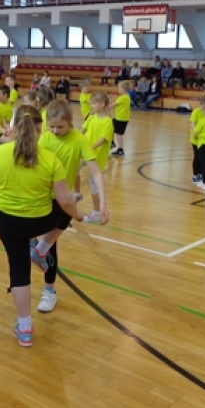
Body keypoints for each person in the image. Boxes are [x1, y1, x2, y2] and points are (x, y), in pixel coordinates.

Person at [0, 105, 83, 347]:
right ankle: (41, 248)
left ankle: (25, 328)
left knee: (18, 271)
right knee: (67, 208)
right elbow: (65, 200)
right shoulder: (50, 159)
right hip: (38, 221)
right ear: (40, 128)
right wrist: (79, 216)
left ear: (14, 127)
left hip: (8, 222)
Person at [35, 100, 106, 313]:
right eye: (52, 126)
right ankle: (37, 251)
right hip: (40, 196)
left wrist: (103, 203)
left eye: (60, 127)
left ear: (70, 121)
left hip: (61, 198)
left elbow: (96, 172)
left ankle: (49, 290)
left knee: (52, 241)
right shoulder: (45, 139)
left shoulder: (79, 140)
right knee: (46, 240)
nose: (55, 131)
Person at [81, 92, 113, 220]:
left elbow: (102, 140)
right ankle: (76, 193)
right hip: (85, 153)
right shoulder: (91, 117)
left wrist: (89, 149)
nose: (92, 105)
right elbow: (82, 131)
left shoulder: (108, 121)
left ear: (102, 104)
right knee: (72, 169)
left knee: (93, 183)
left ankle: (97, 212)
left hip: (96, 156)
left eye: (94, 103)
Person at [189, 95, 205, 186]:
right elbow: (192, 123)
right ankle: (195, 175)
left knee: (204, 158)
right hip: (196, 138)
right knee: (197, 157)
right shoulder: (196, 111)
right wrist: (196, 133)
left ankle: (201, 174)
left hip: (204, 139)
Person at [110, 80, 131, 156]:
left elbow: (113, 105)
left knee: (118, 134)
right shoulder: (126, 96)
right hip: (120, 118)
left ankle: (120, 149)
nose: (118, 89)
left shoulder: (123, 98)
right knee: (110, 127)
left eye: (119, 88)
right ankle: (112, 143)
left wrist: (104, 107)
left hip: (121, 119)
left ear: (123, 89)